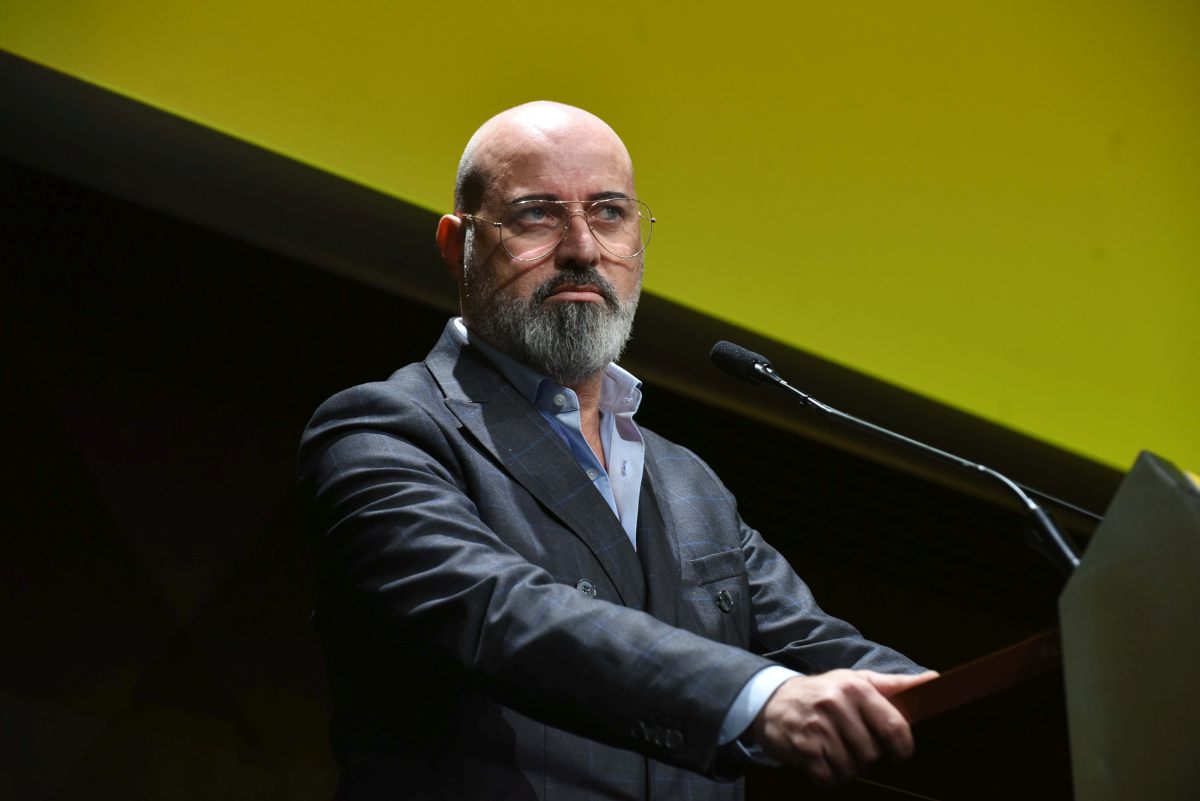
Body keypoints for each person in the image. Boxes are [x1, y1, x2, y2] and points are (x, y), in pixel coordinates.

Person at [298, 101, 935, 801]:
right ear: (458, 246)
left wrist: (965, 701)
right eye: (536, 214)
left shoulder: (690, 484)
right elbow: (500, 612)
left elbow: (819, 651)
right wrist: (758, 697)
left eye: (609, 213)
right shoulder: (384, 432)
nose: (582, 247)